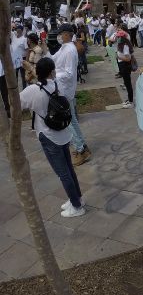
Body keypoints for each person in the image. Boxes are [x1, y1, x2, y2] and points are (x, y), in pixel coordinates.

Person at [21, 57, 85, 217]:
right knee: (69, 169)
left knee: (63, 173)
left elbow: (17, 103)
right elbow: (45, 83)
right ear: (51, 72)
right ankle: (77, 199)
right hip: (63, 134)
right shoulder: (57, 86)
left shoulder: (32, 91)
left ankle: (77, 207)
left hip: (48, 136)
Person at [52, 24, 91, 166]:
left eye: (60, 33)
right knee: (72, 120)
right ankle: (83, 147)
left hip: (65, 91)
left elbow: (68, 74)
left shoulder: (70, 50)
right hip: (63, 90)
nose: (59, 36)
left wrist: (54, 75)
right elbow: (53, 59)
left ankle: (80, 150)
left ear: (67, 34)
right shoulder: (64, 48)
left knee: (68, 122)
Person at [115, 32, 135, 109]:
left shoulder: (125, 46)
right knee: (126, 84)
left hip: (125, 66)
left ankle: (131, 102)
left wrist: (119, 58)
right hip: (122, 65)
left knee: (128, 84)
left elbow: (128, 58)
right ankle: (129, 99)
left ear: (122, 38)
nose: (117, 39)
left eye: (119, 37)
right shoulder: (121, 45)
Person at [11, 24, 28, 89]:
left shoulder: (24, 39)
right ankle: (15, 88)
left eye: (19, 29)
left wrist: (26, 60)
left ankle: (24, 88)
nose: (18, 30)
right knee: (15, 75)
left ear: (21, 30)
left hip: (22, 59)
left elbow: (27, 50)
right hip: (15, 58)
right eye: (17, 29)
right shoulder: (14, 37)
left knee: (23, 75)